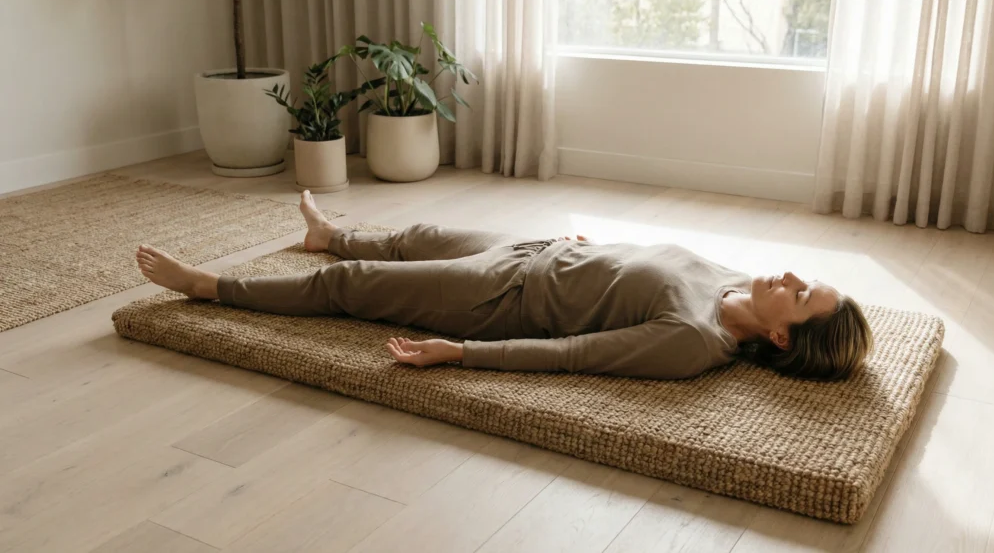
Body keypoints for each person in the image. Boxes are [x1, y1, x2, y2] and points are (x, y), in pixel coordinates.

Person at [135, 191, 874, 381]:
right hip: (540, 250)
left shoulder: (692, 343)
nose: (794, 278)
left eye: (804, 296)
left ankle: (211, 288)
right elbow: (639, 261)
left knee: (356, 286)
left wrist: (463, 354)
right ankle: (325, 236)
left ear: (781, 335)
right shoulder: (732, 280)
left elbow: (576, 355)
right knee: (414, 237)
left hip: (500, 298)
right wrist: (590, 247)